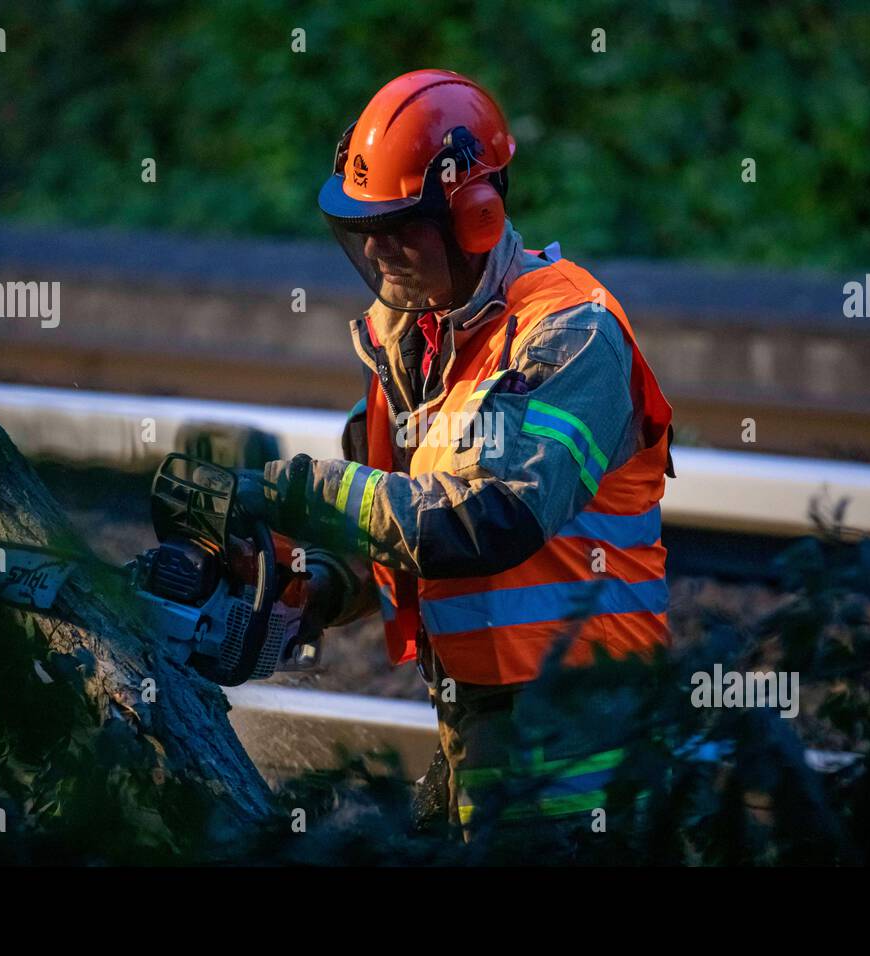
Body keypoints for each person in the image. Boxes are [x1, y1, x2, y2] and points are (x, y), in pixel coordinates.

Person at [235, 69, 675, 851]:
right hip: (477, 725)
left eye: (400, 226)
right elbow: (399, 520)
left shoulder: (570, 335)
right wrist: (315, 582)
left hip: (580, 748)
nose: (377, 250)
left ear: (476, 217)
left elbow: (493, 516)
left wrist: (308, 494)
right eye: (363, 229)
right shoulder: (410, 340)